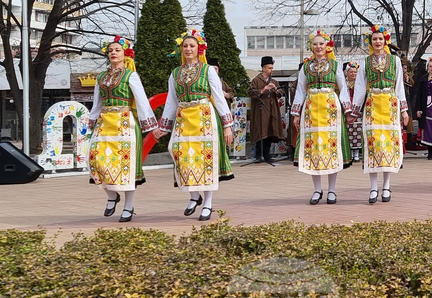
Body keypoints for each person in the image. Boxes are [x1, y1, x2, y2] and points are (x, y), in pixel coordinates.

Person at [153, 28, 234, 221]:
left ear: (200, 49)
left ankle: (207, 202)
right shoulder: (175, 73)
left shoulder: (207, 71)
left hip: (204, 116)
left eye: (192, 46)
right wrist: (163, 126)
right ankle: (194, 195)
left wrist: (227, 124)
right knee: (180, 154)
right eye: (185, 46)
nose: (188, 49)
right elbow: (172, 102)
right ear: (181, 49)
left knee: (206, 159)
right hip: (183, 119)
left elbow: (219, 98)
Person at [87, 35, 157, 222]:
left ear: (125, 53)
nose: (113, 53)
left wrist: (150, 126)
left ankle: (128, 206)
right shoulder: (101, 76)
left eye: (117, 50)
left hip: (124, 122)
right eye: (110, 51)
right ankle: (111, 196)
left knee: (126, 166)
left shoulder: (130, 75)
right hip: (104, 122)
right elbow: (97, 101)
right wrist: (92, 118)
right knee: (94, 158)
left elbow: (141, 101)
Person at [290, 31, 354, 204]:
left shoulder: (335, 65)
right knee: (314, 150)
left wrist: (348, 111)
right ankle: (317, 190)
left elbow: (343, 89)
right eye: (315, 44)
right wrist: (296, 113)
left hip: (330, 110)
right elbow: (300, 91)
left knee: (331, 149)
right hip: (311, 111)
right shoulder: (306, 67)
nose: (318, 47)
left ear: (327, 46)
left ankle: (332, 191)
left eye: (321, 44)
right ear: (312, 46)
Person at [352, 25, 409, 203]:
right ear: (371, 42)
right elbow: (360, 87)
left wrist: (404, 109)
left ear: (385, 41)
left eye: (380, 39)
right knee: (373, 146)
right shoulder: (365, 62)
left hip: (390, 105)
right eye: (374, 39)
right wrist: (354, 110)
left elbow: (399, 86)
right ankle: (372, 188)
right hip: (372, 106)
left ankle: (386, 186)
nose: (377, 42)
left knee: (389, 146)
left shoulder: (395, 61)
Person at [248, 55, 285, 164]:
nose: (271, 70)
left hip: (272, 109)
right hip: (260, 110)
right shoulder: (256, 80)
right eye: (269, 68)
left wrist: (276, 91)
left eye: (272, 68)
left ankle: (267, 155)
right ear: (263, 68)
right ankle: (258, 155)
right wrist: (264, 89)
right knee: (261, 131)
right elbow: (250, 92)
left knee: (270, 130)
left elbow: (281, 92)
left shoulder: (273, 80)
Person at [344, 62, 363, 161]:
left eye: (355, 72)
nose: (353, 74)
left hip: (357, 108)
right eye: (351, 72)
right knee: (348, 132)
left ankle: (356, 153)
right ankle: (349, 153)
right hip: (347, 107)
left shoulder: (360, 84)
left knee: (357, 131)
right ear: (347, 72)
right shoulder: (344, 83)